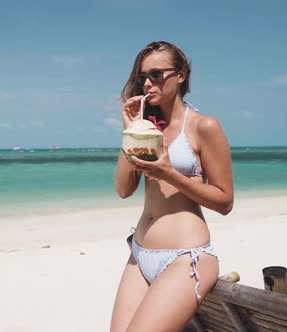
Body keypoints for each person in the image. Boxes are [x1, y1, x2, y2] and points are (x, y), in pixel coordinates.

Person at [110, 41, 234, 332]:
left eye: (156, 74)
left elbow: (225, 201)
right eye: (143, 77)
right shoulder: (146, 128)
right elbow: (123, 189)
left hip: (185, 259)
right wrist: (132, 131)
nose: (148, 83)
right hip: (140, 255)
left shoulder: (204, 126)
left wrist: (169, 173)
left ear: (181, 74)